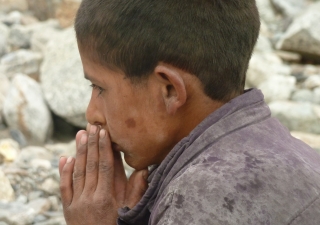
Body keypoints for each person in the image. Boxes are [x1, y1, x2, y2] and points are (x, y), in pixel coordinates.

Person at [58, 0, 320, 224]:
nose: (92, 114)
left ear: (170, 90)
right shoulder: (292, 154)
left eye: (99, 88)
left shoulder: (203, 198)